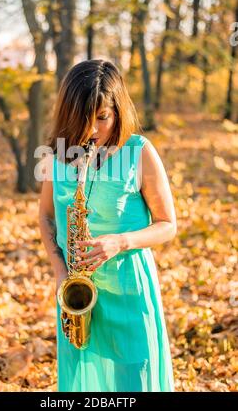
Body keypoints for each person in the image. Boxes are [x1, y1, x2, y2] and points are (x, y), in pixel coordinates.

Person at [39, 59, 177, 392]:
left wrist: (119, 242)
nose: (93, 130)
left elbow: (167, 224)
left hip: (129, 290)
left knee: (133, 382)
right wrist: (60, 272)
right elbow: (45, 217)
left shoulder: (139, 152)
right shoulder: (57, 154)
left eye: (103, 117)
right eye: (84, 118)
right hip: (77, 294)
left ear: (118, 109)